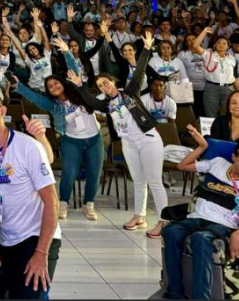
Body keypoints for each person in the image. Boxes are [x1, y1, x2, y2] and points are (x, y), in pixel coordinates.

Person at [72, 32, 169, 236]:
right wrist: (80, 86)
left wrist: (147, 48)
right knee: (139, 180)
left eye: (106, 83)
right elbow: (90, 102)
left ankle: (164, 219)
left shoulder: (130, 91)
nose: (104, 87)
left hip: (148, 139)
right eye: (100, 86)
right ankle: (139, 215)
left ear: (113, 82)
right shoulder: (107, 104)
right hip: (128, 142)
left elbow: (140, 71)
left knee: (154, 181)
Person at [0, 91, 62, 300]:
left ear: (2, 111)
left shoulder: (27, 147)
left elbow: (52, 201)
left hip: (34, 237)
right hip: (3, 239)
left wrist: (41, 253)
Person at [163, 135, 239, 300]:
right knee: (171, 232)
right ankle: (175, 293)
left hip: (223, 225)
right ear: (233, 157)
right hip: (195, 218)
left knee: (200, 239)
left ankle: (201, 297)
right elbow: (182, 165)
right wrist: (202, 147)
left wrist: (237, 233)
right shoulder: (218, 164)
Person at [10, 50, 103, 222]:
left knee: (94, 174)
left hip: (94, 140)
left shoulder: (78, 91)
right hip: (71, 141)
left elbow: (73, 70)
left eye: (56, 83)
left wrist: (67, 52)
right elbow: (35, 98)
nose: (54, 87)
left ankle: (88, 204)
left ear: (62, 82)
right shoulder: (53, 105)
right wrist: (19, 87)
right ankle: (63, 203)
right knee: (69, 173)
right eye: (50, 87)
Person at [190, 26, 239, 117]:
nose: (221, 45)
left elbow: (235, 77)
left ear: (228, 46)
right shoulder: (208, 55)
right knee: (210, 114)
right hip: (211, 88)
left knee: (227, 115)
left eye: (224, 43)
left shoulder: (232, 59)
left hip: (228, 88)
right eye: (219, 43)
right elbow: (195, 46)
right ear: (215, 45)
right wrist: (204, 31)